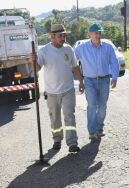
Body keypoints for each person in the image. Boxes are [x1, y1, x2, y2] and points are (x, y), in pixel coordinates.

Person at [34, 24, 84, 153]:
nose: (63, 38)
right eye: (60, 35)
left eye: (64, 35)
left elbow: (75, 67)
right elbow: (37, 69)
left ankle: (72, 143)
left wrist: (81, 82)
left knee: (69, 116)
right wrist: (33, 61)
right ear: (52, 36)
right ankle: (57, 139)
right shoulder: (44, 51)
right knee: (55, 118)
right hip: (51, 92)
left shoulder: (68, 49)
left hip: (68, 89)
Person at [75, 23, 119, 141]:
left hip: (105, 80)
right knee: (92, 105)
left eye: (100, 33)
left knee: (102, 107)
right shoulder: (81, 48)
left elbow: (114, 62)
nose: (98, 35)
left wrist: (114, 77)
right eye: (96, 33)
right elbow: (72, 59)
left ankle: (99, 127)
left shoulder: (108, 47)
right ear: (89, 34)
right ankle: (92, 131)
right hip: (89, 81)